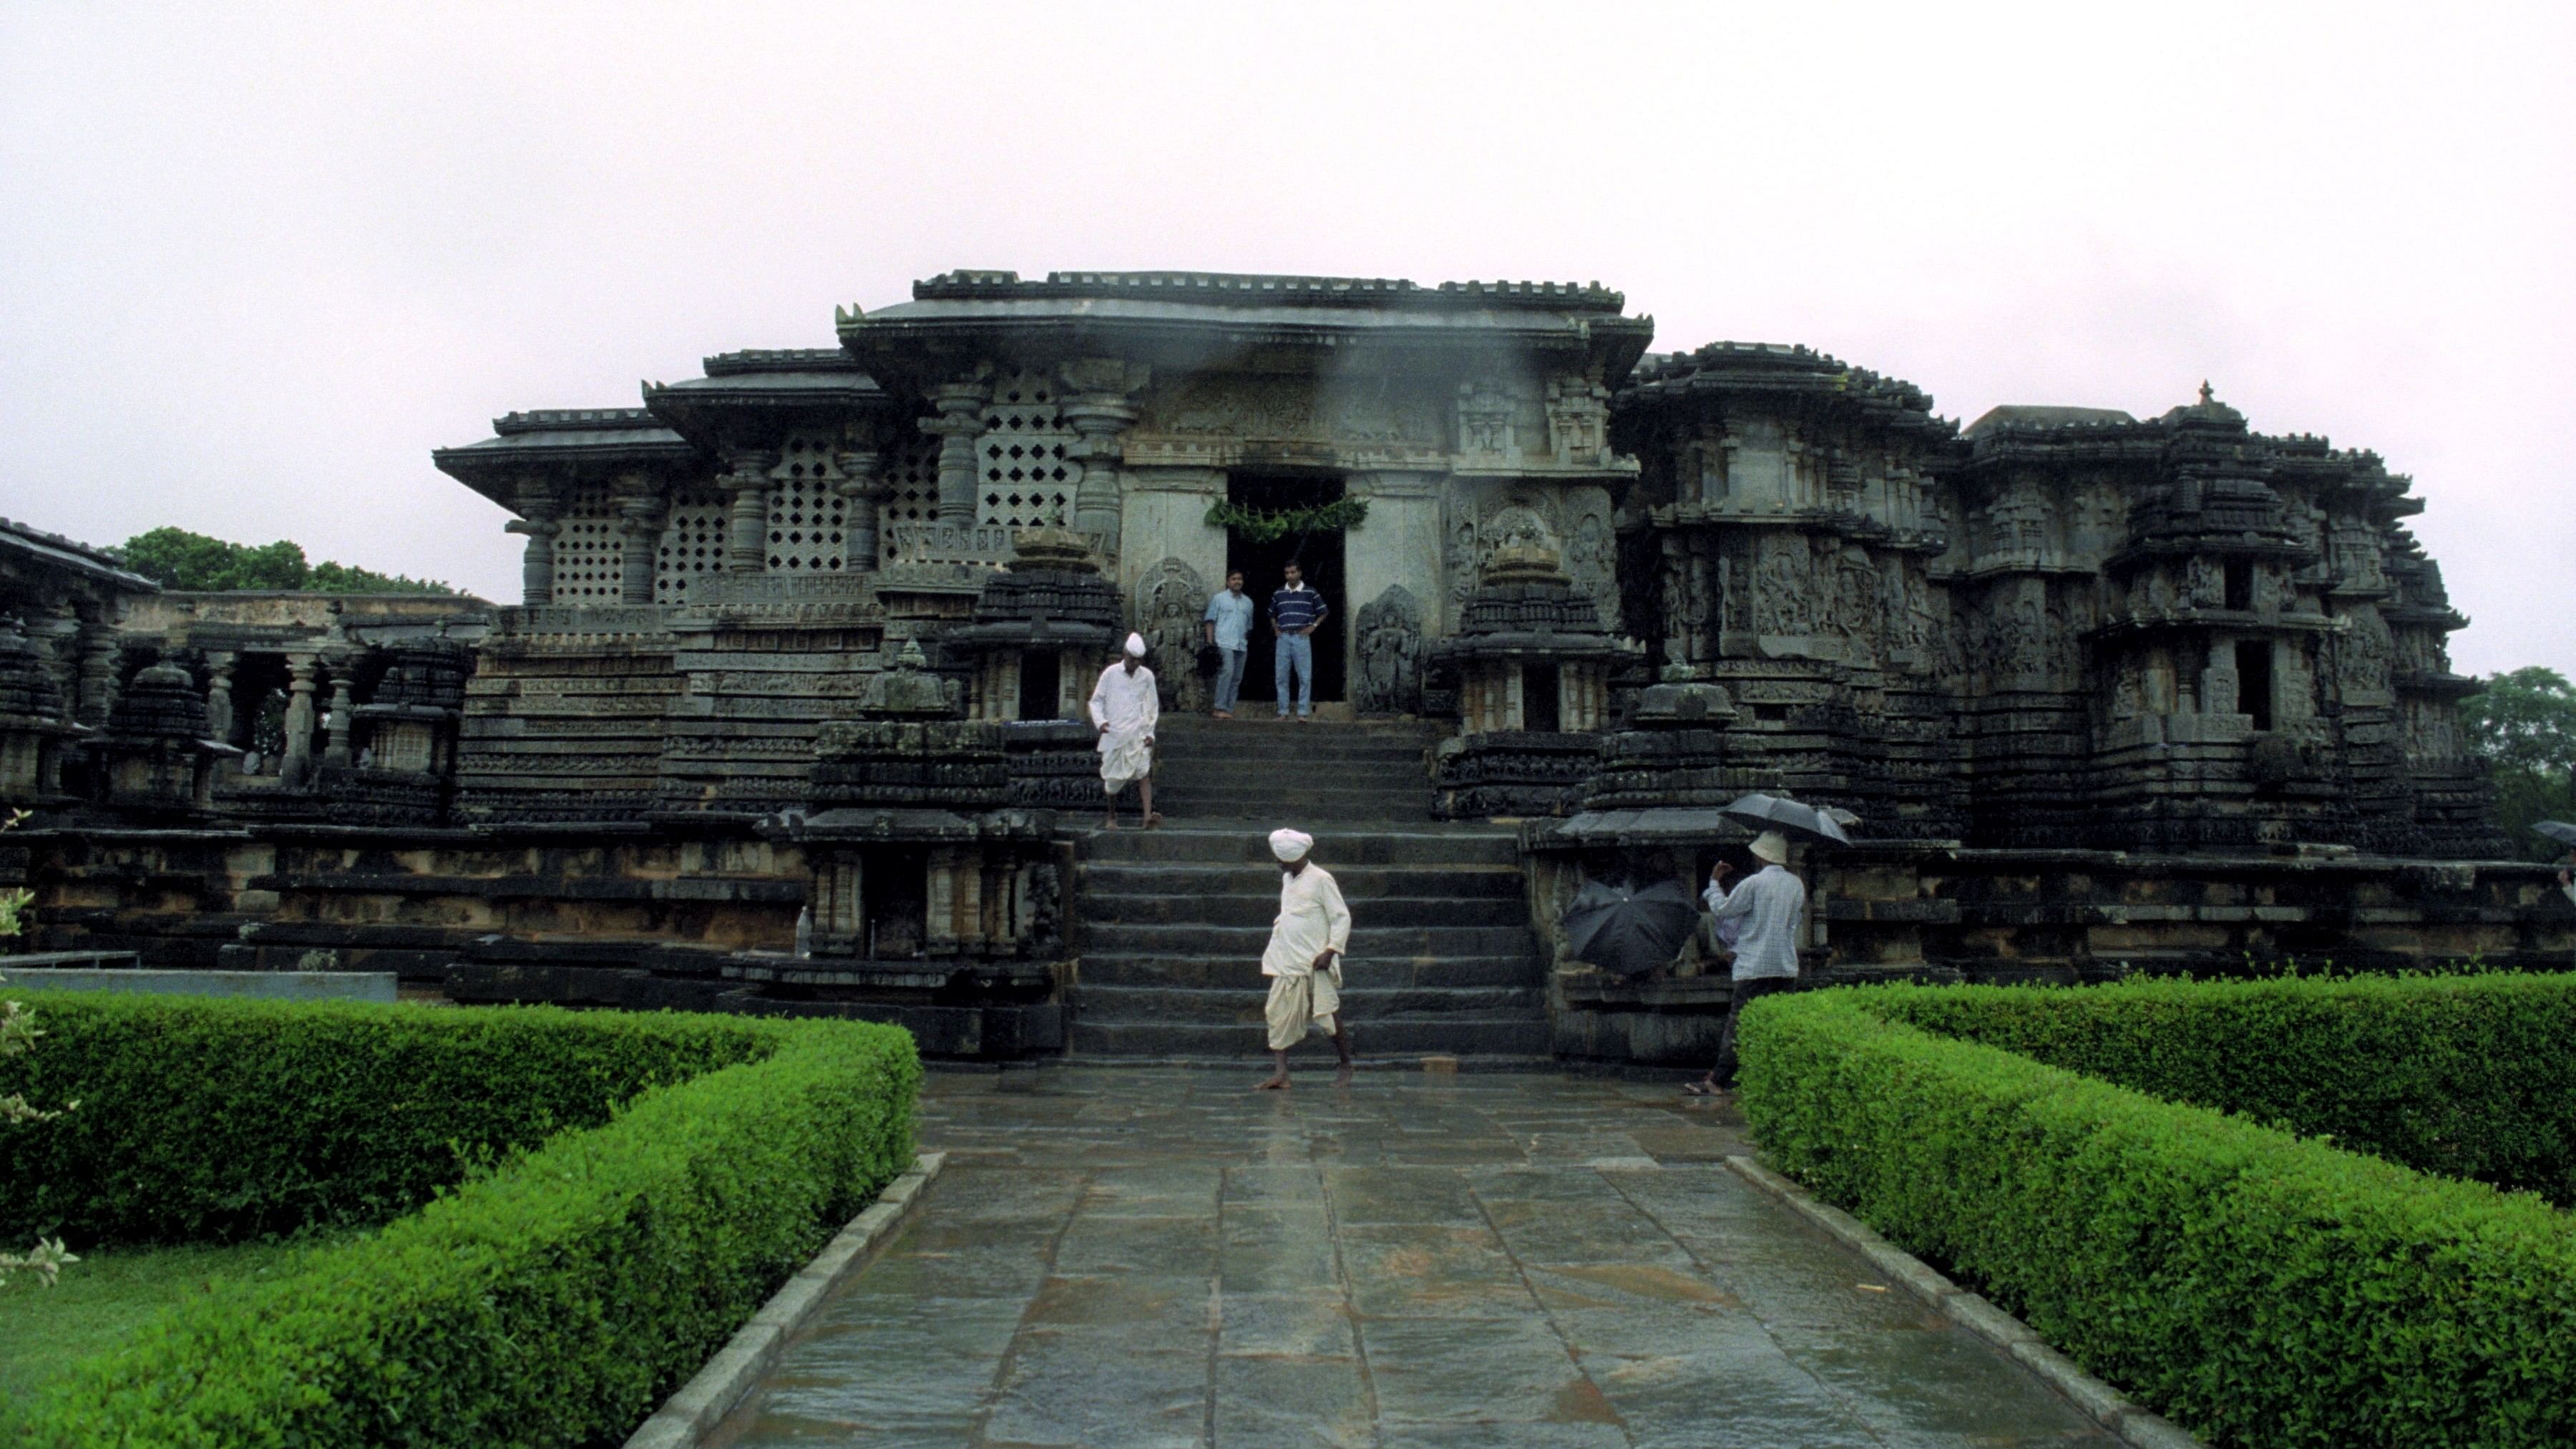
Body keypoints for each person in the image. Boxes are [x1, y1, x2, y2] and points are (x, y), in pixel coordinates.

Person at [1686, 830, 1806, 1096]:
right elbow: (1795, 921)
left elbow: (1723, 909)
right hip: (1785, 965)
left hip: (1755, 965)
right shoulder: (1796, 884)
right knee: (1779, 1023)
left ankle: (1718, 1080)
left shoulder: (1754, 883)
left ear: (1761, 856)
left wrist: (1714, 884)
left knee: (1739, 1024)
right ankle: (1775, 1078)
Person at [1259, 826, 1354, 1089]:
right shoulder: (1288, 879)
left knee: (1328, 1015)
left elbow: (1341, 917)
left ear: (1295, 858)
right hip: (1287, 958)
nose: (1278, 863)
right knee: (1277, 1015)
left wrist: (1330, 951)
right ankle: (1282, 1073)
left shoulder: (1322, 879)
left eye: (1282, 859)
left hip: (1316, 961)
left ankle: (1346, 1064)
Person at [1089, 632, 1161, 830]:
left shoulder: (1146, 676)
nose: (1135, 663)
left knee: (1143, 772)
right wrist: (1101, 722)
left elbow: (1151, 705)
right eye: (1132, 658)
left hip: (1138, 732)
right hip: (1114, 733)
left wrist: (1150, 732)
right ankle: (1112, 816)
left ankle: (1147, 817)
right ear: (1125, 654)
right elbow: (1096, 701)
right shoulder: (1111, 673)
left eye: (1139, 659)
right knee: (1112, 781)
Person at [1269, 562, 1327, 722]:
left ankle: (1302, 713)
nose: (1290, 576)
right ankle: (1283, 712)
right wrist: (1275, 628)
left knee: (1304, 676)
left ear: (1299, 573)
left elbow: (1323, 611)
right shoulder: (1279, 593)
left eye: (1293, 572)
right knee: (1281, 676)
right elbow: (1272, 613)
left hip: (1301, 637)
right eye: (1287, 573)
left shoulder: (1310, 592)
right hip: (1284, 637)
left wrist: (1313, 626)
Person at [1202, 570, 1253, 718]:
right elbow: (1210, 621)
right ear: (1227, 582)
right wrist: (1211, 643)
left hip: (1241, 644)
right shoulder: (1219, 599)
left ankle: (1229, 709)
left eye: (1239, 579)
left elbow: (1249, 626)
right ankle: (1219, 708)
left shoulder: (1248, 602)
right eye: (1233, 579)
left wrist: (1245, 640)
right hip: (1224, 642)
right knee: (1227, 673)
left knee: (1237, 677)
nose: (1237, 582)